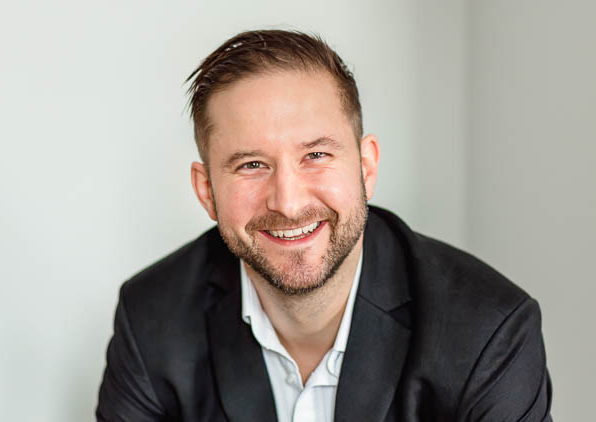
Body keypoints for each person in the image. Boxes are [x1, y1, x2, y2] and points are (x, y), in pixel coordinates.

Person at [96, 30, 553, 422]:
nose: (289, 202)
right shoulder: (150, 322)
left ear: (366, 167)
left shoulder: (487, 332)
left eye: (316, 155)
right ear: (206, 191)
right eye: (252, 164)